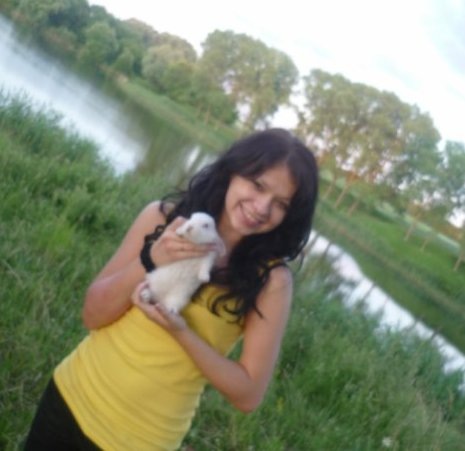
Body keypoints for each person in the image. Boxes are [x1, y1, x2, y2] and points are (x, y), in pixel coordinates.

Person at [24, 128, 319, 450]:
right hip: (69, 396)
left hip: (142, 441)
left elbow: (248, 395)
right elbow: (92, 314)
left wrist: (182, 332)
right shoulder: (161, 219)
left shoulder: (271, 281)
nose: (262, 207)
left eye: (281, 204)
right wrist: (151, 258)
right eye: (258, 185)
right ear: (233, 171)